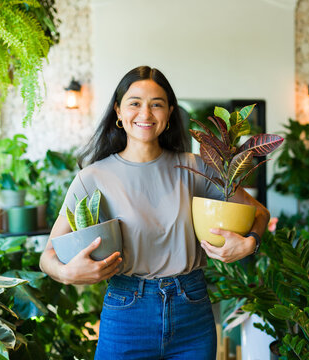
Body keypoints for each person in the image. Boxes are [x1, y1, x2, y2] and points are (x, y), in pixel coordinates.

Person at [39, 65, 270, 359]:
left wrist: (250, 243)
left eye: (156, 105)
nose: (145, 114)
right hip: (126, 313)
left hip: (193, 311)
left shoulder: (197, 167)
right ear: (118, 112)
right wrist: (67, 273)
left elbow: (259, 213)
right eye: (135, 103)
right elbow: (48, 256)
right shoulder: (93, 177)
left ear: (170, 113)